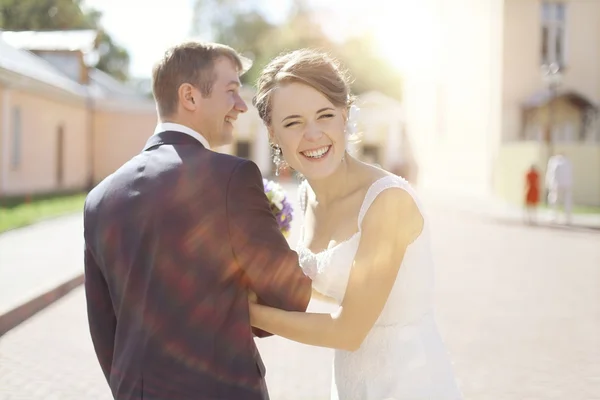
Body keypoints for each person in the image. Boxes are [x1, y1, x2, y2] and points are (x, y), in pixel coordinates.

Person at [83, 41, 312, 400]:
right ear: (189, 97)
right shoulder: (231, 178)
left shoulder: (99, 198)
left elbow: (103, 328)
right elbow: (290, 294)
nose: (241, 105)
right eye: (232, 91)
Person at [249, 49, 463, 399]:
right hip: (352, 382)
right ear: (272, 133)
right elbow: (331, 280)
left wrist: (247, 312)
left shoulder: (387, 201)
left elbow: (349, 331)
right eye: (293, 122)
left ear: (344, 116)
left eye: (325, 115)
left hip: (410, 384)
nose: (314, 134)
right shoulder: (307, 196)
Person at [545, 153, 573, 224]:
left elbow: (551, 173)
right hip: (565, 184)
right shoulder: (567, 162)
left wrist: (550, 183)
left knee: (554, 200)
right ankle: (566, 217)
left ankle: (555, 216)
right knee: (565, 201)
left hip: (557, 184)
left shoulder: (554, 162)